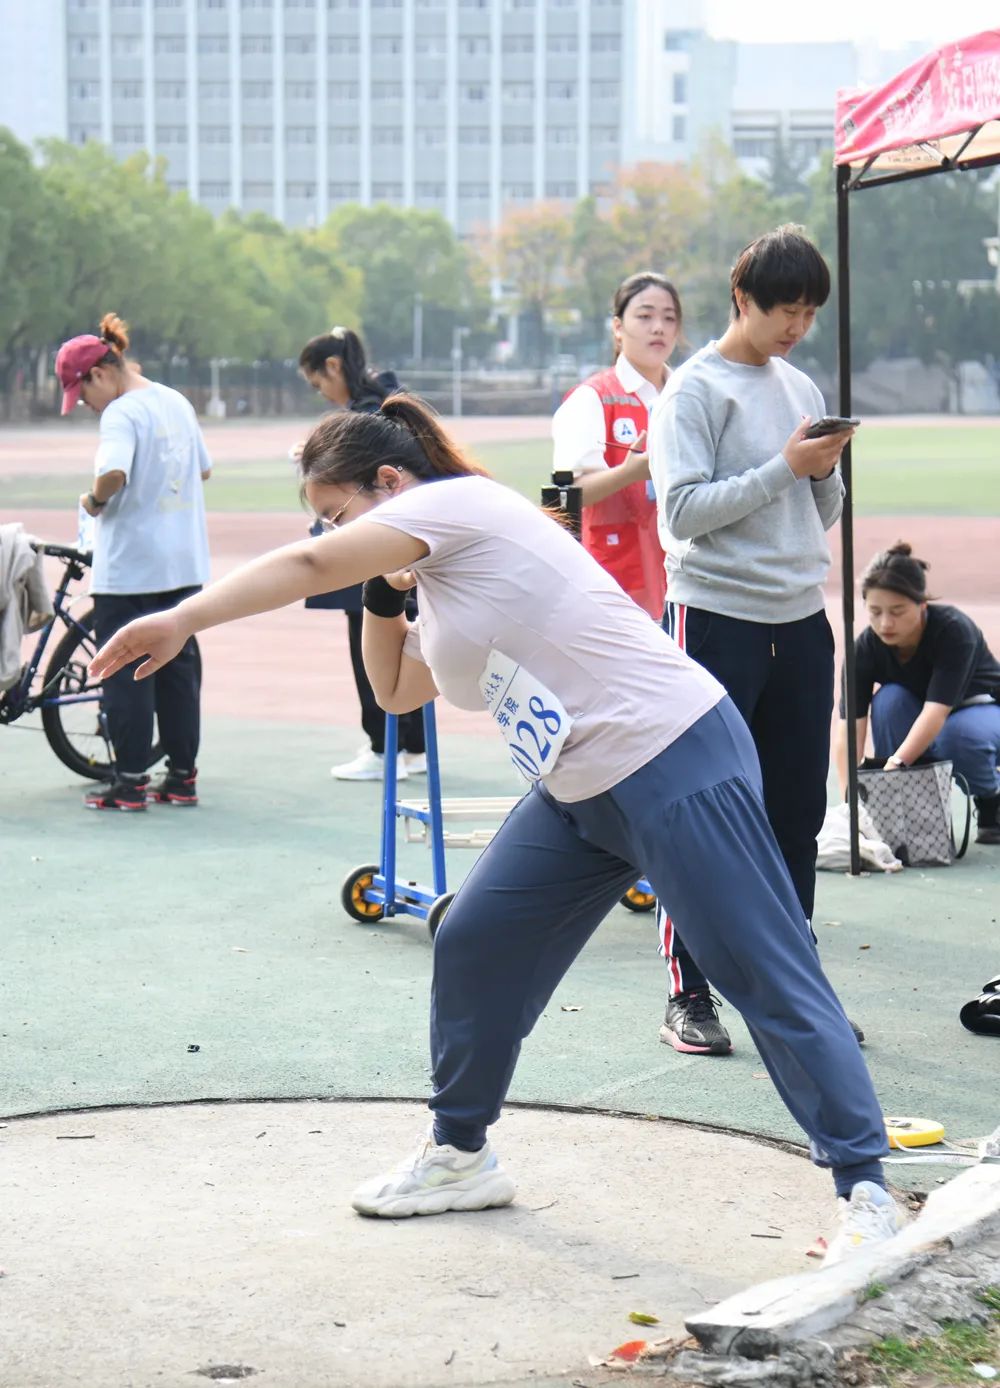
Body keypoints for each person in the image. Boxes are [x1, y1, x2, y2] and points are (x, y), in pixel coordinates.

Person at [89, 394, 900, 1262]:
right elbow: (398, 692)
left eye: (339, 512)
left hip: (670, 753)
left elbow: (305, 564)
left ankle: (866, 1193)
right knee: (475, 937)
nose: (334, 532)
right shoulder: (440, 582)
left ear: (390, 482)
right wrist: (381, 598)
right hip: (581, 789)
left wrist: (184, 616)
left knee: (758, 966)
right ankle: (460, 1154)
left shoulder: (457, 506)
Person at [648, 225, 858, 1056]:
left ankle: (795, 991)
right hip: (715, 618)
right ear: (743, 299)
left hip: (800, 620)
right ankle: (688, 994)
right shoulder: (693, 392)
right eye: (784, 309)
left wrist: (826, 467)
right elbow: (682, 516)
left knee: (798, 817)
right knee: (701, 811)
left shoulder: (798, 380)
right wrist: (786, 467)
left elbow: (818, 514)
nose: (796, 326)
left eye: (809, 312)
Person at [56, 312, 210, 811]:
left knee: (123, 670)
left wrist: (94, 501)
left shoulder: (121, 413)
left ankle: (129, 782)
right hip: (183, 562)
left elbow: (113, 473)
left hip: (130, 568)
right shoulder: (176, 401)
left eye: (81, 394)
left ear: (99, 374)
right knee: (177, 669)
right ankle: (182, 778)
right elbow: (203, 471)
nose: (84, 405)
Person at [297, 327, 425, 783]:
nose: (322, 393)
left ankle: (382, 746)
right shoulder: (389, 398)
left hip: (376, 543)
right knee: (408, 642)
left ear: (333, 367)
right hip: (404, 545)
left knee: (370, 644)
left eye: (318, 383)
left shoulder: (368, 414)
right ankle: (412, 746)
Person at [836, 542, 1000, 845]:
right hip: (924, 716)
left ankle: (992, 800)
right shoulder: (864, 648)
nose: (885, 623)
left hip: (981, 711)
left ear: (922, 604)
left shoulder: (953, 630)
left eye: (897, 611)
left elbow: (936, 712)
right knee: (889, 700)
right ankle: (914, 816)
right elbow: (848, 729)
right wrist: (851, 805)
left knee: (957, 734)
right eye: (875, 612)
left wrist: (894, 766)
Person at [551, 273, 680, 618]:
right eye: (645, 315)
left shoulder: (688, 397)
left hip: (685, 583)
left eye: (669, 318)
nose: (659, 327)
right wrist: (629, 472)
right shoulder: (592, 398)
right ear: (618, 327)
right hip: (614, 584)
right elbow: (567, 495)